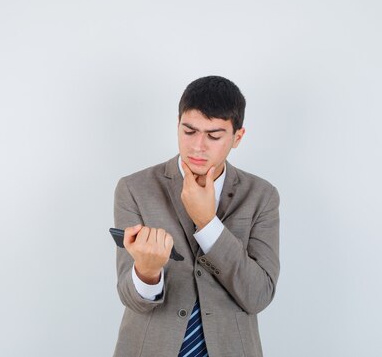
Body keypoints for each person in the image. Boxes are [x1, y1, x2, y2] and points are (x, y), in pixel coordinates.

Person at [113, 76, 280, 357]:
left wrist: (208, 224)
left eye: (214, 136)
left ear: (237, 137)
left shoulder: (261, 196)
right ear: (177, 124)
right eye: (189, 131)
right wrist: (147, 272)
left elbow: (258, 296)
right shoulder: (134, 188)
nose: (198, 147)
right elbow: (131, 298)